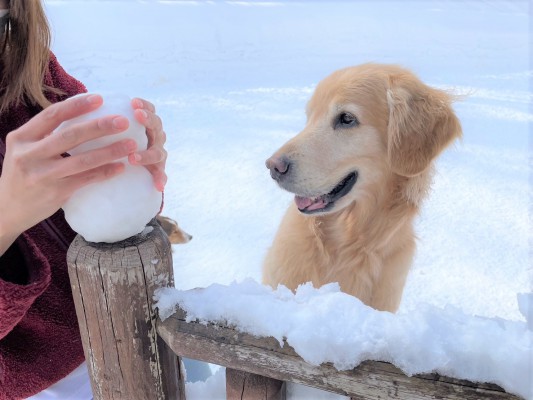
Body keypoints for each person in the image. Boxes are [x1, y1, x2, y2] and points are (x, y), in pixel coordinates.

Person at [0, 1, 168, 399]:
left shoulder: (30, 73)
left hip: (130, 322)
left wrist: (135, 165)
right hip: (39, 385)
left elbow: (104, 188)